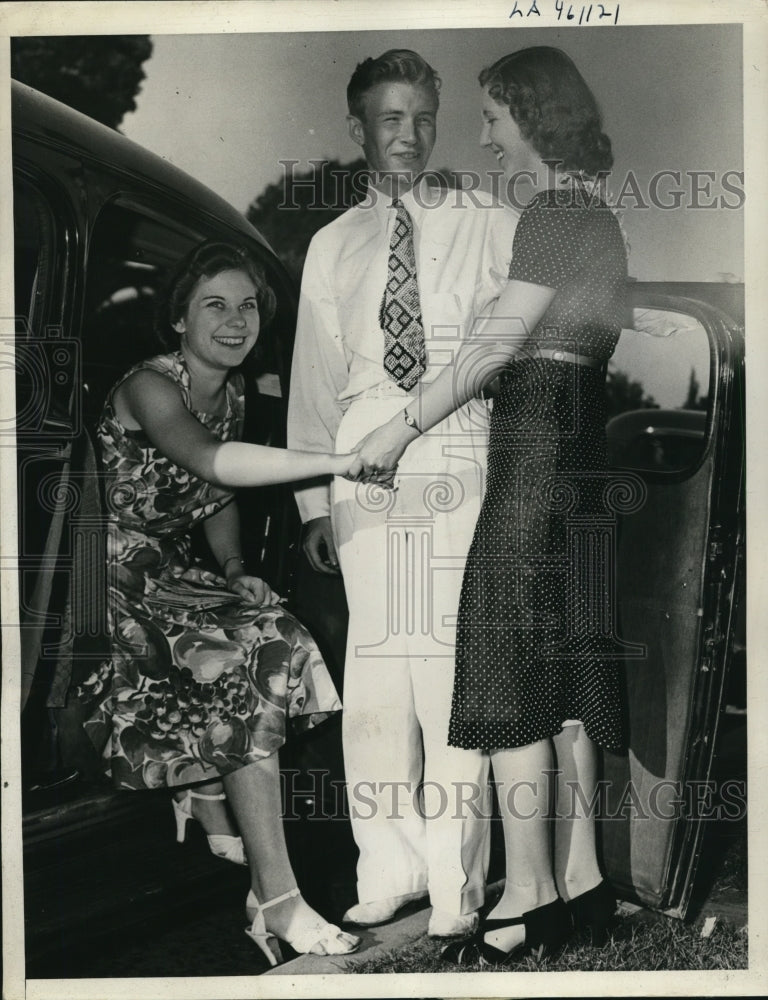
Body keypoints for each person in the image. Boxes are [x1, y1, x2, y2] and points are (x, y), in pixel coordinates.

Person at [349, 46, 628, 964]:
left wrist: (396, 431)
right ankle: (583, 880)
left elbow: (493, 349)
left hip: (538, 445)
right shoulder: (597, 214)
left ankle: (531, 893)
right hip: (582, 440)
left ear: (532, 115)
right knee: (573, 668)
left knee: (504, 658)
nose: (484, 139)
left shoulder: (552, 211)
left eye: (495, 120)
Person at [75, 240, 360, 965]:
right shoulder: (150, 387)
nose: (235, 322)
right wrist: (337, 461)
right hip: (96, 574)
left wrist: (234, 567)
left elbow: (213, 497)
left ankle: (210, 795)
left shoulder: (231, 391)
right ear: (178, 320)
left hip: (162, 571)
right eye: (215, 306)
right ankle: (279, 900)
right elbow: (205, 460)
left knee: (276, 632)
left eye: (248, 308)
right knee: (248, 662)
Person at [287, 49, 518, 938]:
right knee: (377, 671)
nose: (410, 135)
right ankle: (388, 868)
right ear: (358, 130)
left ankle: (460, 889)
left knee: (447, 671)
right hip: (360, 455)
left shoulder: (486, 218)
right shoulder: (331, 243)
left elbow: (518, 339)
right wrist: (313, 500)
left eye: (423, 116)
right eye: (390, 119)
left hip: (455, 440)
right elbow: (315, 375)